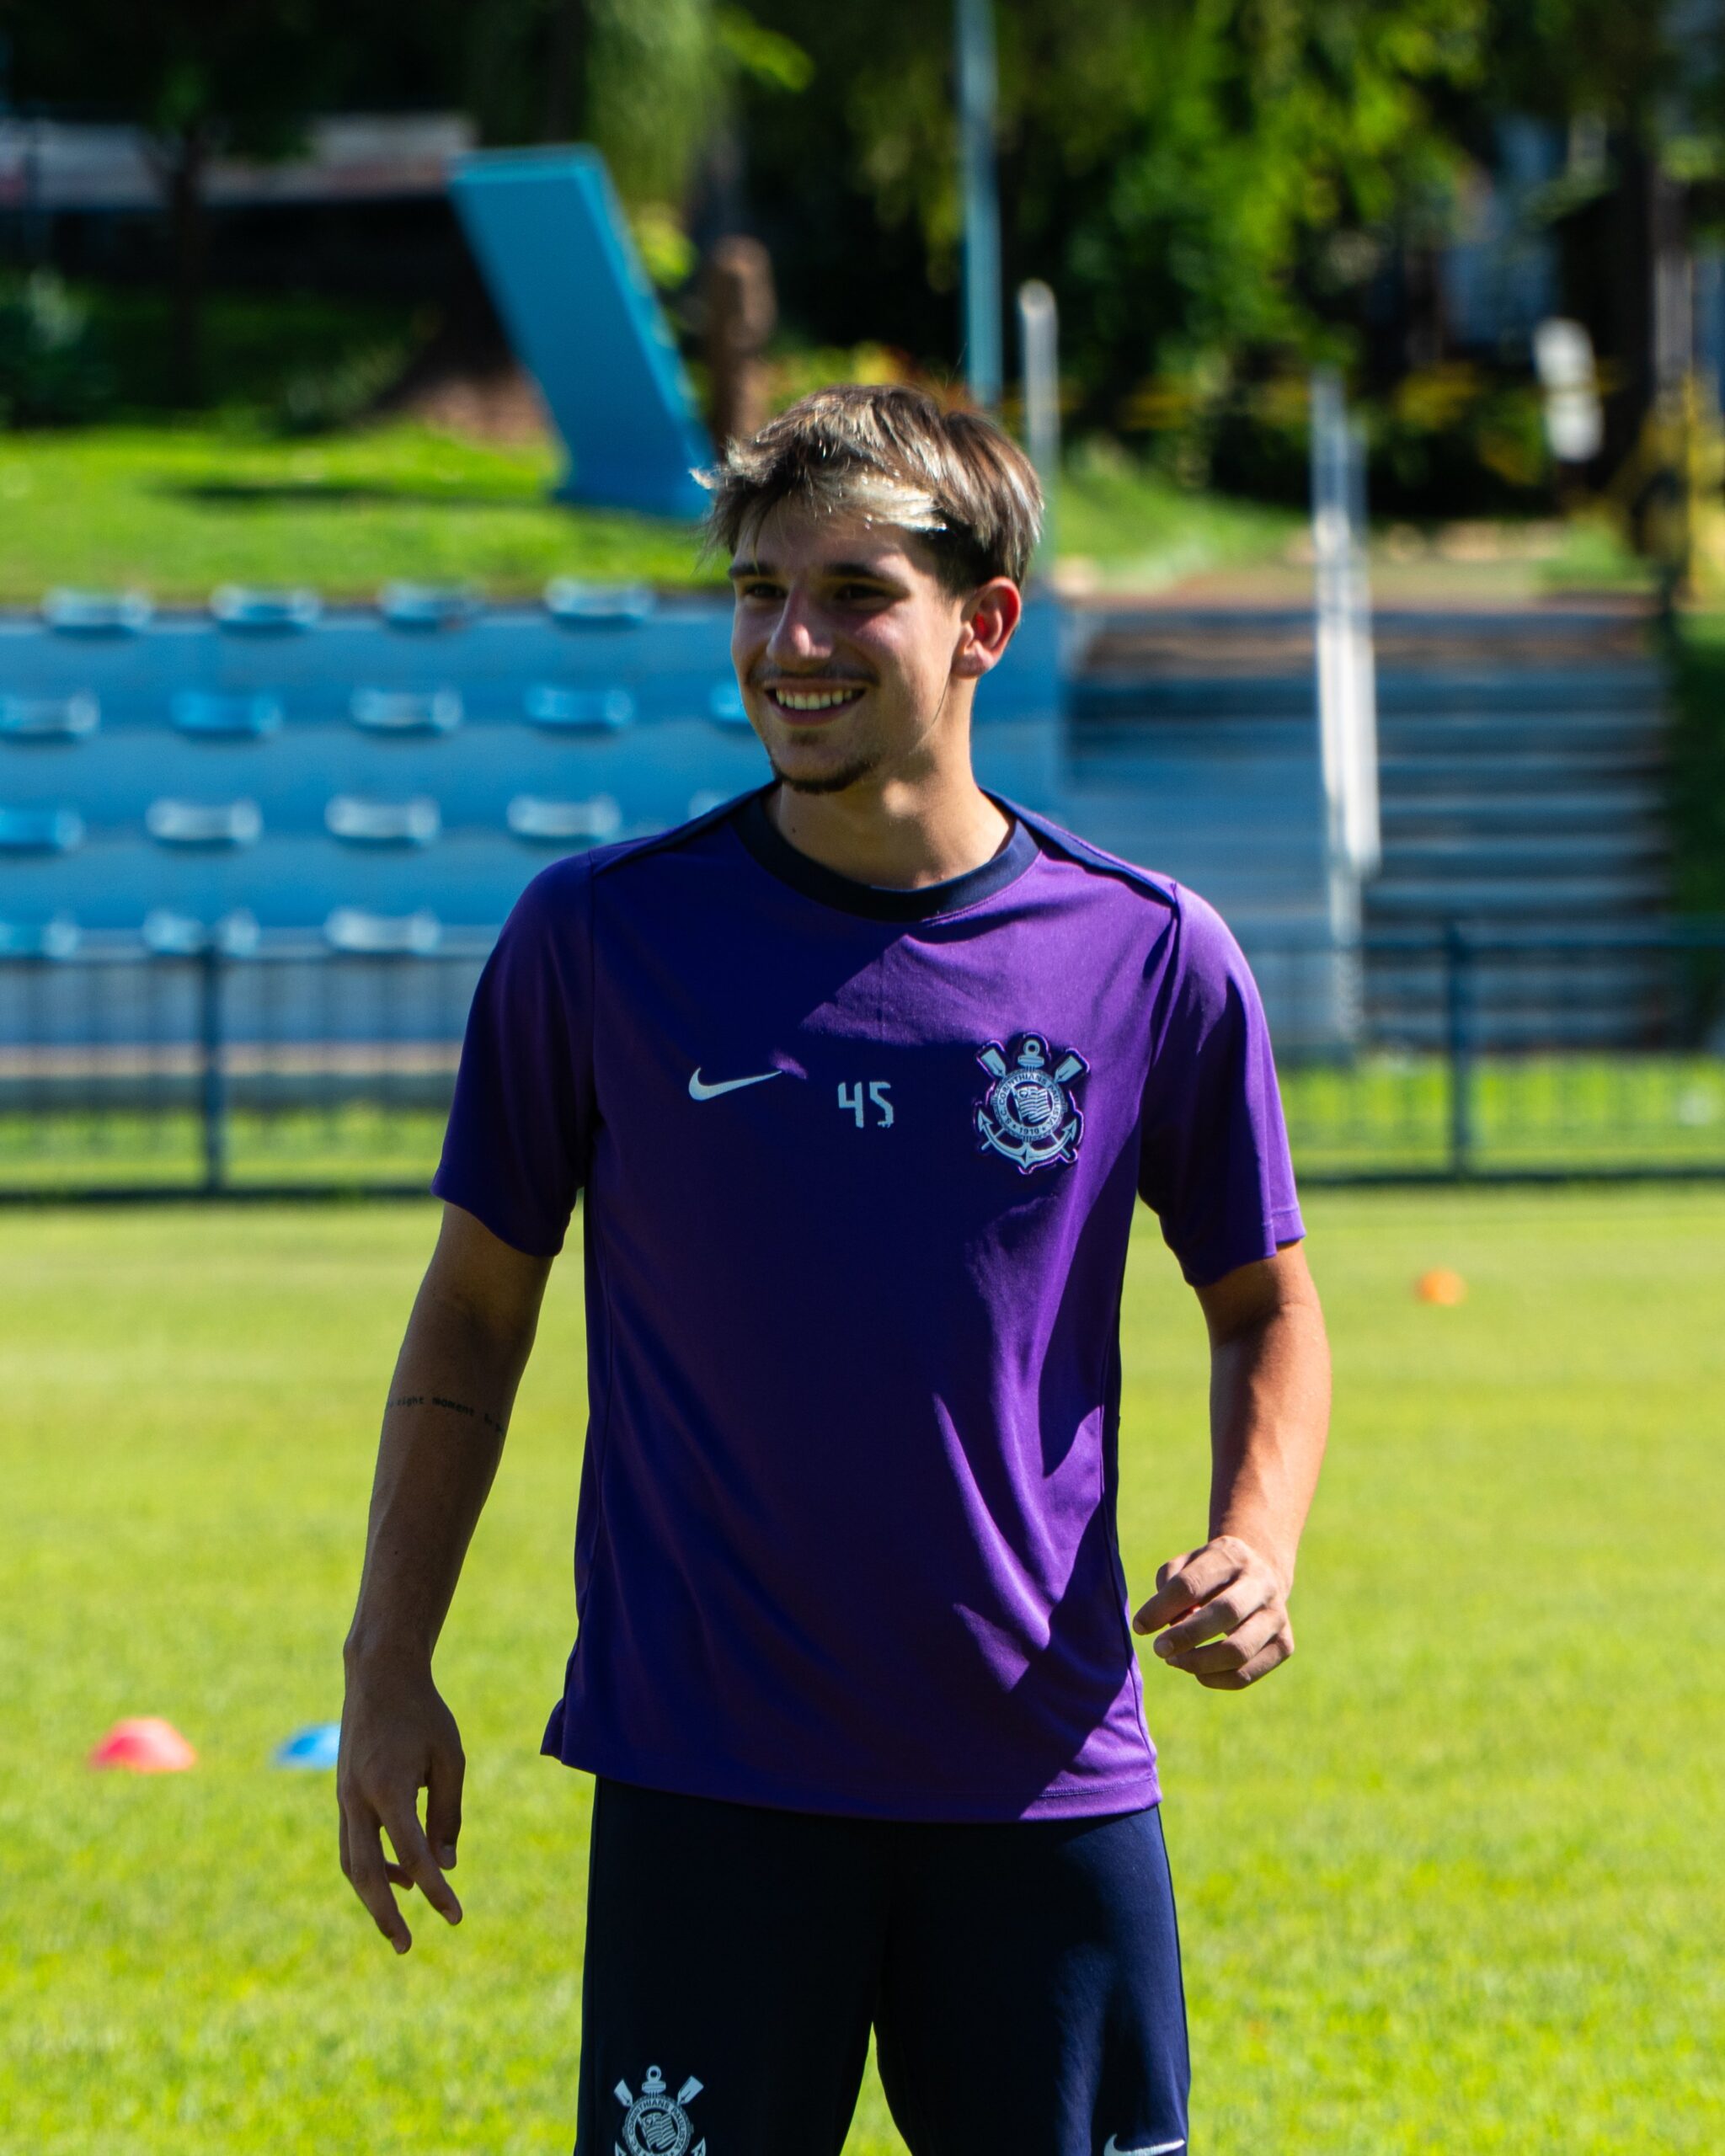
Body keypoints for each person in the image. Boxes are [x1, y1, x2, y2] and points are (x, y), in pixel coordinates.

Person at [338, 384, 1331, 2156]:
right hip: (707, 1777)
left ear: (982, 623)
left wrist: (1257, 1533)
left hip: (1037, 1776)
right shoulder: (600, 938)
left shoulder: (1149, 952)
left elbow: (1262, 1298)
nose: (791, 641)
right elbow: (475, 1311)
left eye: (855, 591)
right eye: (758, 591)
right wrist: (386, 1660)